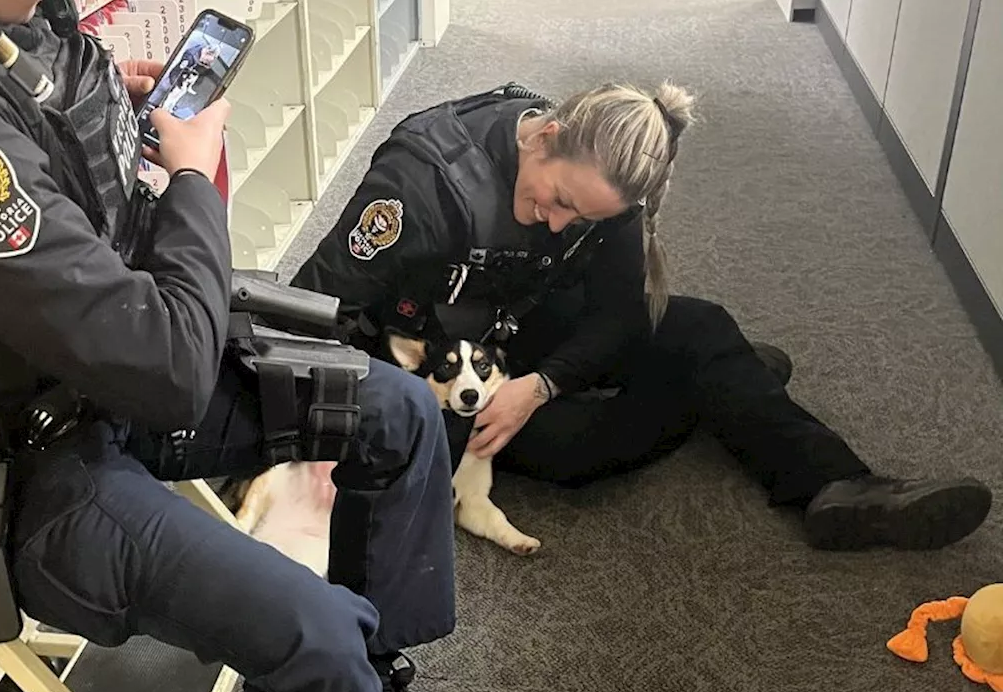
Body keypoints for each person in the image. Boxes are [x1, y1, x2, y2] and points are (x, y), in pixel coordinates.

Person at [0, 0, 474, 692]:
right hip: (7, 476)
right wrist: (194, 176)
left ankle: (377, 691)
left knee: (402, 413)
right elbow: (173, 372)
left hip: (78, 374)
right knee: (316, 637)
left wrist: (70, 123)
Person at [290, 81, 994, 551]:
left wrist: (539, 385)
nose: (562, 225)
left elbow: (621, 312)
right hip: (436, 361)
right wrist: (335, 437)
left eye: (584, 216)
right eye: (558, 200)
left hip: (521, 320)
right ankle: (721, 386)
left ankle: (842, 488)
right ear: (544, 137)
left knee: (704, 325)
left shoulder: (608, 195)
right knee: (576, 449)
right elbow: (312, 308)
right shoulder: (421, 184)